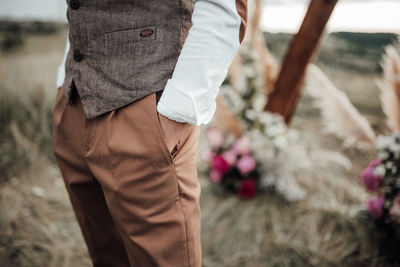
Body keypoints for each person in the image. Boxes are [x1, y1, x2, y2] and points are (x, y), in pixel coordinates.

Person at [52, 0, 247, 266]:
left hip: (146, 111)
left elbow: (224, 7)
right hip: (74, 102)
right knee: (106, 256)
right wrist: (62, 82)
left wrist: (174, 115)